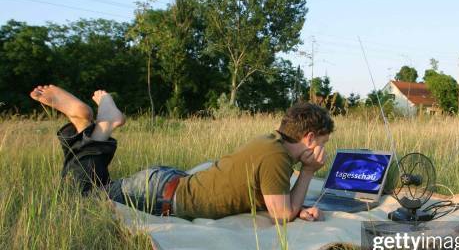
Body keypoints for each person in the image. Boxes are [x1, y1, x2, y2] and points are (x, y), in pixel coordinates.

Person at [29, 84, 332, 222]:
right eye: (323, 141)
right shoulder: (277, 157)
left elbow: (272, 200)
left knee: (97, 190)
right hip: (162, 192)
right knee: (79, 198)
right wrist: (307, 173)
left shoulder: (271, 143)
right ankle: (99, 125)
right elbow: (281, 216)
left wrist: (295, 206)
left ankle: (92, 127)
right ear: (308, 137)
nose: (323, 149)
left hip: (168, 183)